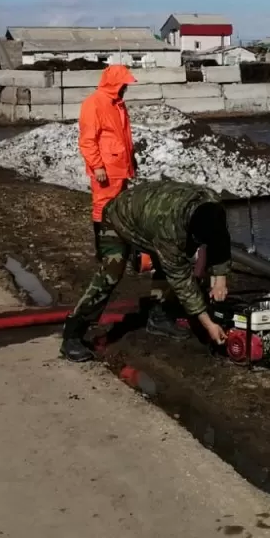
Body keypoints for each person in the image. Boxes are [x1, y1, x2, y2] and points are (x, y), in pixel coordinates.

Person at [60, 180, 233, 362]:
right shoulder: (169, 229)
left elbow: (221, 241)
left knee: (168, 263)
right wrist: (209, 325)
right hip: (118, 219)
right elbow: (180, 279)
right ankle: (73, 334)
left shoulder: (214, 206)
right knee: (110, 275)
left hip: (149, 215)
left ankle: (158, 316)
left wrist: (220, 279)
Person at [78, 64, 138, 228]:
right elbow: (87, 140)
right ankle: (105, 246)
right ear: (114, 83)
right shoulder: (94, 103)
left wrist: (131, 158)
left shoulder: (117, 103)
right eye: (124, 84)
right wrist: (97, 166)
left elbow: (122, 136)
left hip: (120, 166)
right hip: (106, 167)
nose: (126, 88)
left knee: (118, 206)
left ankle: (115, 244)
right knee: (103, 205)